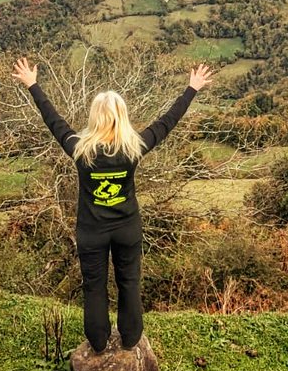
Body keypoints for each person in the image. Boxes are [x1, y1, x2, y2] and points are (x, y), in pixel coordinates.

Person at [12, 57, 214, 354]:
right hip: (127, 228)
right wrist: (191, 89)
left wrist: (32, 85)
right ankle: (131, 338)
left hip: (92, 231)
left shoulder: (80, 149)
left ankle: (98, 341)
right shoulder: (135, 146)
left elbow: (53, 120)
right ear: (123, 116)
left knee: (94, 286)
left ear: (95, 117)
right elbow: (167, 122)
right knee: (129, 282)